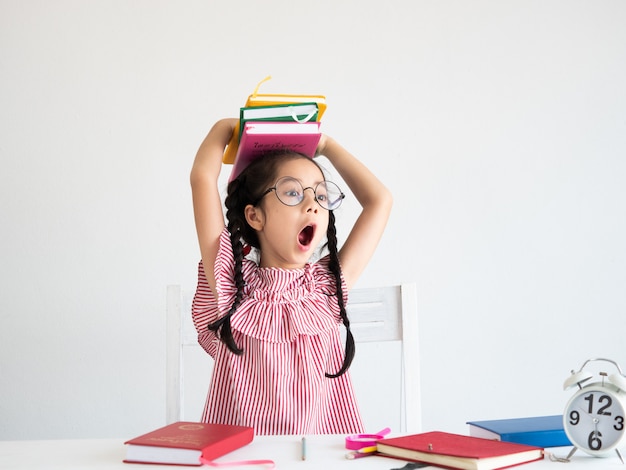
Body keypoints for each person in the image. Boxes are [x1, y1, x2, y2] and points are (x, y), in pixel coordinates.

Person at [190, 118, 392, 435]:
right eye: (293, 193)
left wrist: (325, 145)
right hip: (241, 458)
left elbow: (380, 201)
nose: (312, 204)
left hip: (323, 458)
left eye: (320, 196)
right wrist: (224, 128)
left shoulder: (326, 288)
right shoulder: (231, 285)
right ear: (254, 215)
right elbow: (202, 178)